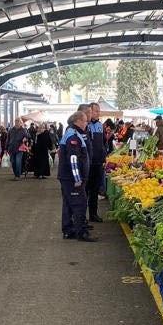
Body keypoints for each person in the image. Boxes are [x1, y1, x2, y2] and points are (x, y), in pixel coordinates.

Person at [58, 111, 95, 242]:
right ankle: (81, 232)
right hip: (71, 178)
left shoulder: (73, 133)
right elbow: (73, 159)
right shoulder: (73, 136)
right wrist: (77, 178)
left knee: (68, 203)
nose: (87, 123)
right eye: (85, 121)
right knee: (79, 203)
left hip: (66, 177)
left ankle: (68, 230)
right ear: (78, 120)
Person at [86, 102, 108, 222]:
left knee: (95, 190)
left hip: (98, 163)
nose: (98, 113)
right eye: (95, 111)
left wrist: (104, 157)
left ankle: (93, 214)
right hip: (88, 163)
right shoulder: (86, 125)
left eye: (99, 111)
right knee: (85, 191)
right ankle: (81, 217)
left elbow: (104, 143)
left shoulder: (100, 125)